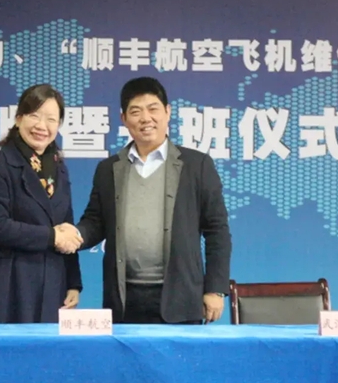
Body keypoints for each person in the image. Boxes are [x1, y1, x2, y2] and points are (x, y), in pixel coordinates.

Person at [59, 77, 232, 324]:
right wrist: (74, 234)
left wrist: (215, 289)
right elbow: (96, 222)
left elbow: (217, 231)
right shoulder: (108, 169)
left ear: (167, 112)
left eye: (153, 109)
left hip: (181, 297)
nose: (145, 118)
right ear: (124, 119)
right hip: (124, 298)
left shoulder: (197, 165)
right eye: (135, 111)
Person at [0, 84, 84, 324]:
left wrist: (73, 283)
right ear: (19, 118)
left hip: (54, 284)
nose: (42, 126)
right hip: (10, 284)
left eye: (51, 119)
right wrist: (51, 237)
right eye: (34, 115)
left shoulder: (59, 169)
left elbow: (66, 226)